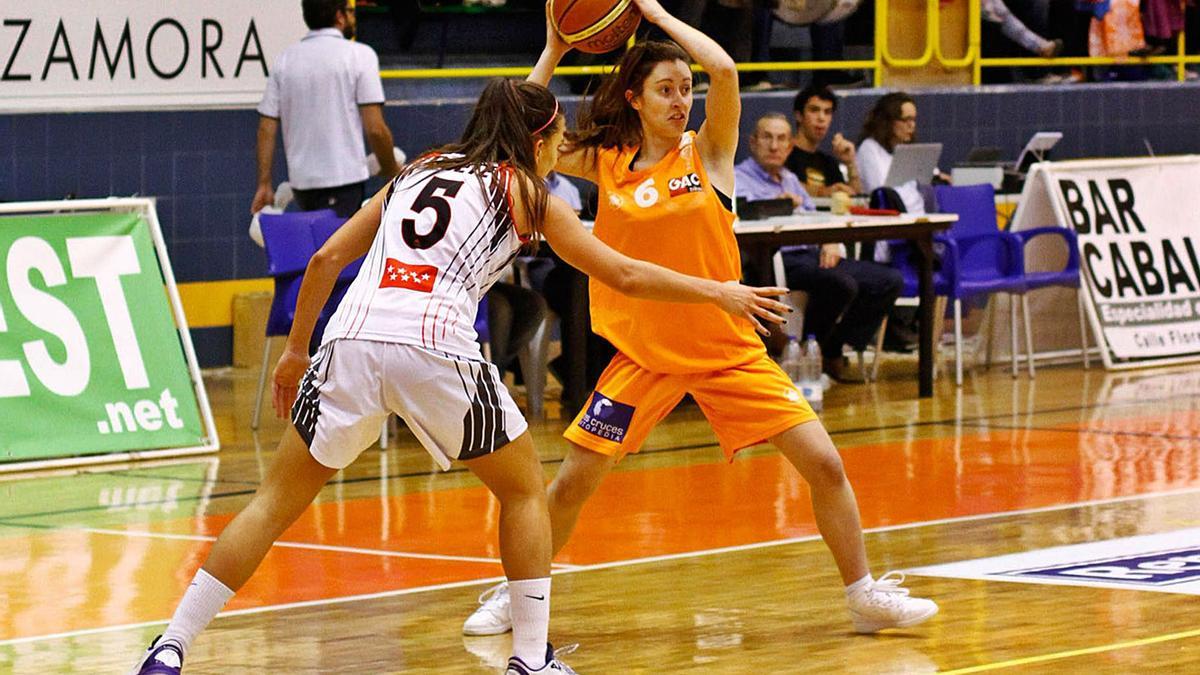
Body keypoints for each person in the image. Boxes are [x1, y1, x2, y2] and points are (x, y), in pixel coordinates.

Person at [130, 78, 790, 675]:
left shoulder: (417, 170)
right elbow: (625, 274)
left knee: (272, 503)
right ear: (538, 139)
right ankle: (531, 656)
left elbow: (329, 255)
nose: (561, 149)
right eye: (557, 137)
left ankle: (171, 645)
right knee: (527, 491)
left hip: (351, 340)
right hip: (434, 344)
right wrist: (721, 293)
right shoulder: (526, 192)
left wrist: (296, 351)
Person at [462, 0, 938, 641]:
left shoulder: (709, 153)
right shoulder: (606, 161)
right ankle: (513, 595)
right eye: (665, 89)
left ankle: (863, 594)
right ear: (633, 97)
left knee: (825, 464)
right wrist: (556, 48)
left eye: (685, 89)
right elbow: (520, 130)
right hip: (643, 354)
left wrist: (655, 14)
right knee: (572, 483)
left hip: (724, 347)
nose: (681, 99)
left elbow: (725, 68)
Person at [737, 113, 903, 381]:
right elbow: (742, 216)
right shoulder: (739, 178)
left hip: (812, 254)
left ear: (790, 147)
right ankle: (808, 352)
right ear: (752, 142)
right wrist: (780, 204)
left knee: (889, 280)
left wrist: (830, 240)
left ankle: (829, 348)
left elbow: (817, 218)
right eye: (767, 137)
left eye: (781, 139)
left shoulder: (791, 179)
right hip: (775, 260)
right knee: (841, 284)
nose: (774, 145)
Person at [250, 0, 399, 218]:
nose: (353, 17)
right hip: (344, 181)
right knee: (340, 251)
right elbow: (376, 129)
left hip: (302, 185)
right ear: (339, 16)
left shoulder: (285, 59)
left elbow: (266, 128)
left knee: (317, 248)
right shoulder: (360, 55)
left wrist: (264, 183)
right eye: (350, 11)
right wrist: (393, 171)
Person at [856, 92, 928, 217]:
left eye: (913, 119)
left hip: (919, 217)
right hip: (894, 222)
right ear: (888, 121)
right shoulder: (869, 148)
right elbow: (881, 194)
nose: (912, 126)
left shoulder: (906, 149)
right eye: (906, 120)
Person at [786, 85, 863, 197]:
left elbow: (854, 198)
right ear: (799, 116)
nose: (821, 118)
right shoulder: (782, 153)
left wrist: (850, 163)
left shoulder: (828, 162)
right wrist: (824, 192)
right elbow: (780, 185)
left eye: (827, 112)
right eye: (814, 110)